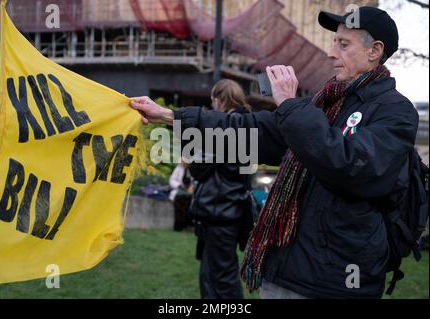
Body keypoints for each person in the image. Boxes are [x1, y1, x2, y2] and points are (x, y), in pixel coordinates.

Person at [131, 7, 419, 299]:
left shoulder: (396, 111)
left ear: (375, 51)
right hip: (283, 272)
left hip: (333, 284)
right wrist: (171, 117)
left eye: (343, 44)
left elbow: (350, 167)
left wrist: (290, 106)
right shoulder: (323, 104)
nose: (331, 53)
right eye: (334, 42)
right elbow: (246, 129)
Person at [186, 79, 255, 299]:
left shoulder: (226, 124)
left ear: (218, 99)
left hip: (219, 210)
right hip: (230, 209)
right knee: (216, 275)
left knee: (220, 278)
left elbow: (198, 167)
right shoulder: (247, 123)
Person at [169, 159, 193, 231]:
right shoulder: (178, 169)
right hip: (180, 191)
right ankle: (179, 226)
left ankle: (188, 224)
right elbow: (172, 180)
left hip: (190, 192)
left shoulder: (192, 170)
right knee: (180, 204)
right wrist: (179, 186)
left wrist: (191, 188)